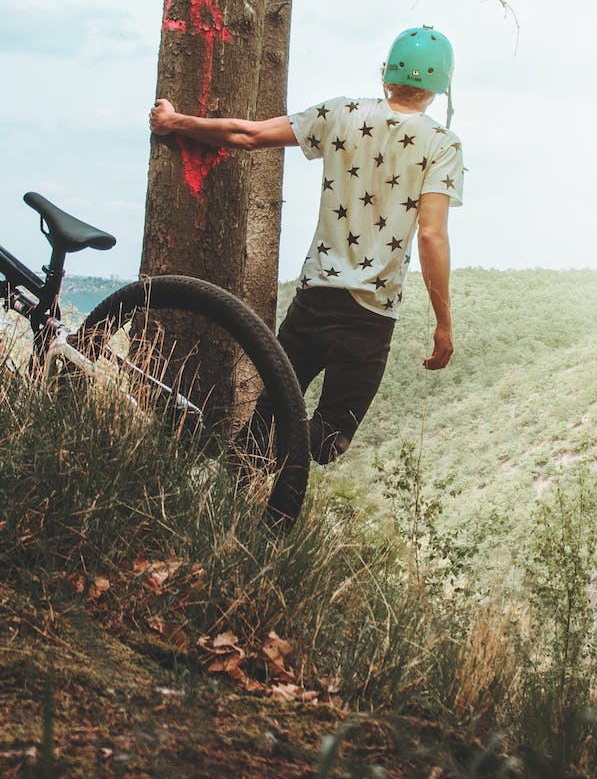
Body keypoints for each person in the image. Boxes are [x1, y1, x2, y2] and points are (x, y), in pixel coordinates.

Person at [148, 26, 464, 464]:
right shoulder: (442, 144)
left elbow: (248, 135)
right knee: (330, 440)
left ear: (386, 73)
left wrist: (174, 122)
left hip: (314, 298)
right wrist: (443, 322)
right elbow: (431, 234)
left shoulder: (341, 113)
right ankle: (226, 478)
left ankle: (212, 480)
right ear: (442, 87)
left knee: (264, 430)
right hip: (370, 315)